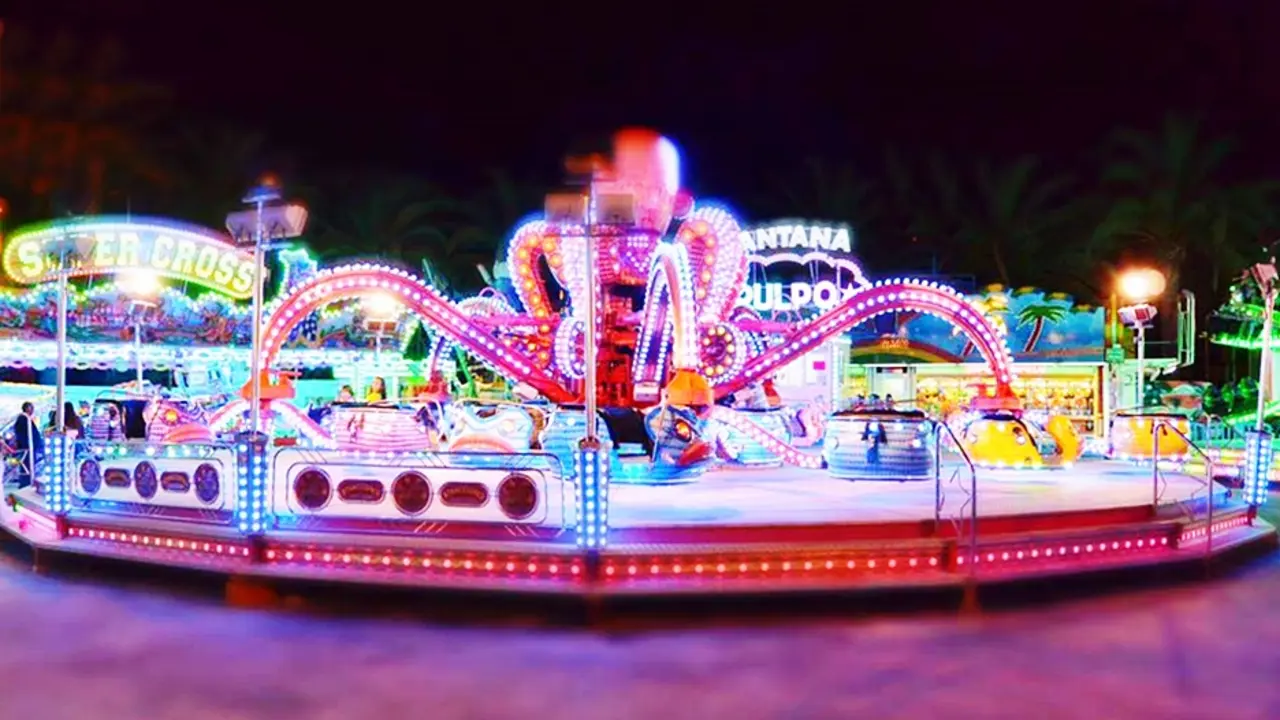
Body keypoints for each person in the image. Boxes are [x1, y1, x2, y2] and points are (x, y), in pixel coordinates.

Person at [12, 402, 43, 489]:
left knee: (28, 466)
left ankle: (26, 482)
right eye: (31, 408)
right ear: (26, 408)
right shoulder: (23, 419)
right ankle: (26, 483)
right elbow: (24, 434)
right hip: (27, 447)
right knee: (27, 466)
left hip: (29, 447)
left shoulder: (25, 419)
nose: (33, 410)